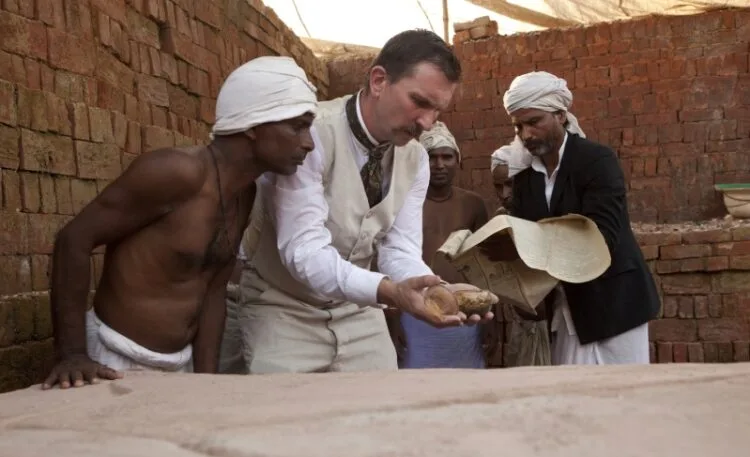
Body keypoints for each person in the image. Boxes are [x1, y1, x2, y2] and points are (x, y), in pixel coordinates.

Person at [42, 56, 319, 389]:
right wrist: (72, 354)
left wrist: (206, 382)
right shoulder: (176, 173)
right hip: (114, 358)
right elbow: (74, 239)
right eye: (297, 126)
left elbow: (214, 291)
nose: (309, 143)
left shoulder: (244, 193)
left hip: (180, 366)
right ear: (252, 124)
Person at [228, 29, 493, 375]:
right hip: (282, 308)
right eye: (420, 102)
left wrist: (435, 291)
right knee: (288, 406)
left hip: (358, 312)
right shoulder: (309, 136)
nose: (427, 123)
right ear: (379, 81)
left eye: (437, 111)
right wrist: (389, 291)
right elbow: (304, 251)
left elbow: (399, 249)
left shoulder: (416, 159)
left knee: (383, 403)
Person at [485, 71, 660, 365]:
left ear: (561, 115)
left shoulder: (597, 161)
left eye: (534, 122)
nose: (526, 135)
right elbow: (528, 240)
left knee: (626, 389)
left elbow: (601, 238)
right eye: (518, 127)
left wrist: (536, 249)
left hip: (616, 305)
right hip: (567, 310)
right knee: (573, 390)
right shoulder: (525, 178)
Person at [388, 121, 491, 369]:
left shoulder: (473, 205)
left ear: (458, 160)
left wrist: (490, 320)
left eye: (447, 157)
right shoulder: (403, 204)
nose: (439, 164)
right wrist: (392, 318)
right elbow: (388, 260)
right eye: (432, 157)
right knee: (418, 383)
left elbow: (486, 265)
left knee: (466, 384)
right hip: (415, 309)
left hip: (464, 312)